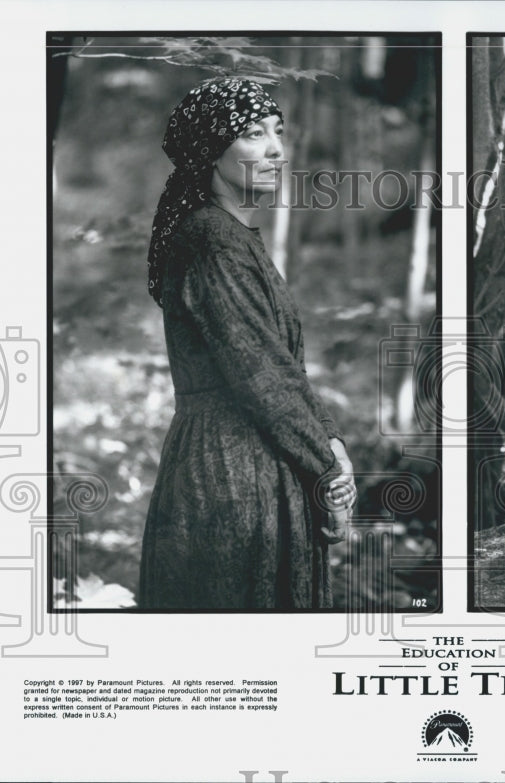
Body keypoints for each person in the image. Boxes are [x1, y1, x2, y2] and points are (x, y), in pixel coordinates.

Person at [139, 77, 356, 609]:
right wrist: (329, 467)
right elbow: (260, 373)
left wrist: (332, 446)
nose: (277, 148)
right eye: (253, 134)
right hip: (230, 478)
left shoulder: (231, 236)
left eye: (278, 132)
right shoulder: (211, 240)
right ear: (211, 151)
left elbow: (279, 366)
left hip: (258, 461)